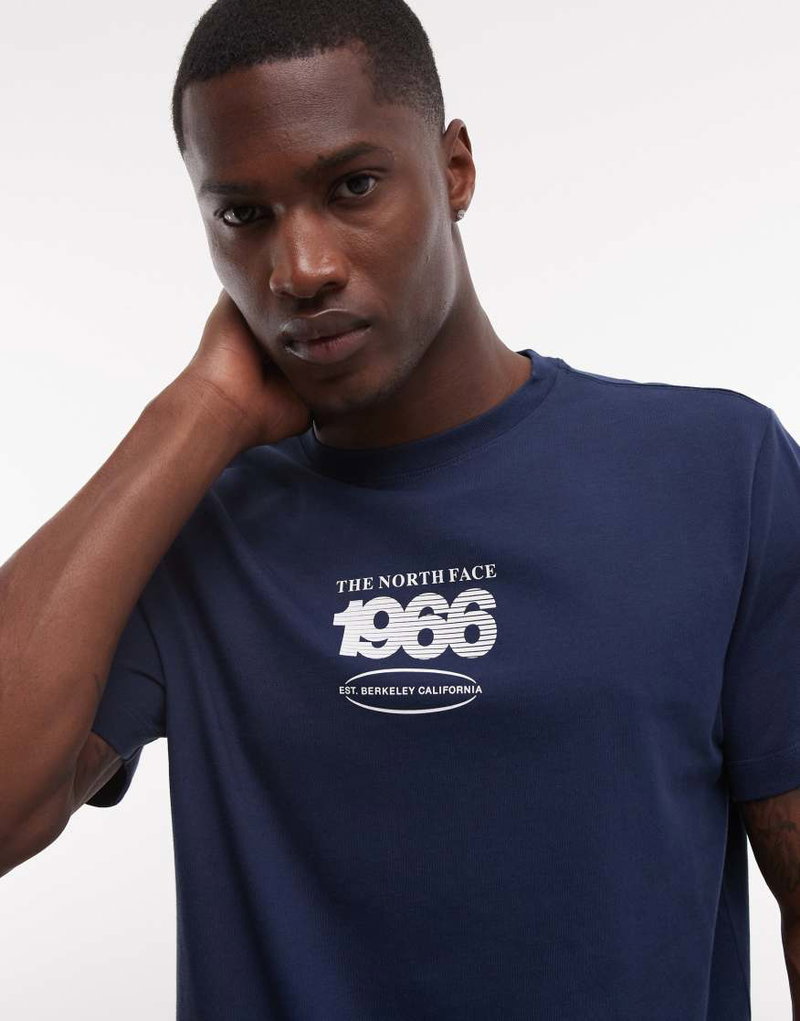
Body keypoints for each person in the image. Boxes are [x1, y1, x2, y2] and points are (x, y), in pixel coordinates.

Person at [1, 0, 799, 1016]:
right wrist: (195, 412)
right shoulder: (194, 521)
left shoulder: (716, 471)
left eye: (352, 187)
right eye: (243, 216)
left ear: (454, 168)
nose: (301, 269)